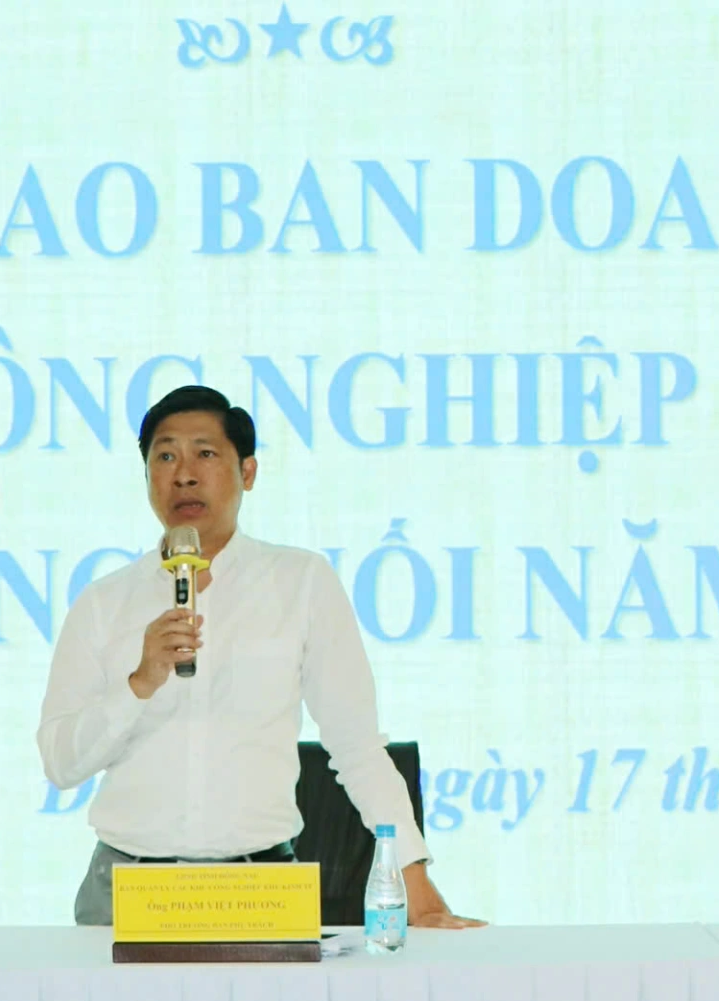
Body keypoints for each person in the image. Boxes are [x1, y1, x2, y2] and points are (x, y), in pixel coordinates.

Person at [38, 384, 482, 929]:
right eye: (165, 457)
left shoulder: (301, 582)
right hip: (124, 891)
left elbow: (357, 747)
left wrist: (417, 886)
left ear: (247, 472)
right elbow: (60, 763)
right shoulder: (104, 602)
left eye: (204, 453)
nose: (184, 475)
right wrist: (139, 683)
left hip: (259, 889)